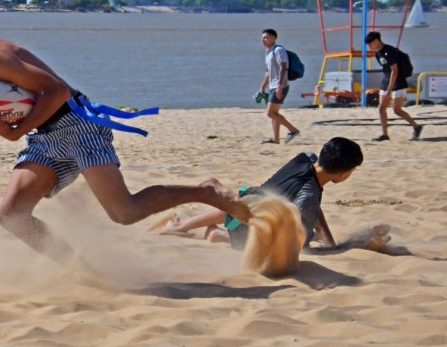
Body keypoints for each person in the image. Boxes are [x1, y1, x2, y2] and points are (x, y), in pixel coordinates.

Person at [0, 3, 252, 265]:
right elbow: (17, 109)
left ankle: (206, 191)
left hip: (77, 122)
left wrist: (16, 132)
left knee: (124, 212)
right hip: (44, 135)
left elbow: (57, 91)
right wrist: (12, 128)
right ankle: (78, 268)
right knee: (12, 215)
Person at [163, 137, 363, 249]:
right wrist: (319, 241)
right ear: (343, 173)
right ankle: (220, 236)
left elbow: (313, 202)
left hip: (238, 208)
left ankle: (181, 227)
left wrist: (327, 239)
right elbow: (296, 244)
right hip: (249, 233)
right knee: (294, 235)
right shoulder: (308, 196)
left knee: (252, 198)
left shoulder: (305, 157)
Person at [364, 31, 422, 141]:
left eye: (370, 44)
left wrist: (389, 91)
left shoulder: (389, 51)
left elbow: (394, 71)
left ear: (376, 41)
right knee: (381, 108)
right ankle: (384, 134)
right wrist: (386, 88)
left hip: (398, 82)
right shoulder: (378, 54)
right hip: (386, 82)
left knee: (397, 110)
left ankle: (416, 127)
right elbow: (386, 70)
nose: (369, 47)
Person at [258, 28, 300, 145]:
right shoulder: (268, 52)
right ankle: (276, 139)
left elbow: (283, 67)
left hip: (280, 85)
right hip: (273, 86)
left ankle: (293, 130)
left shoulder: (279, 50)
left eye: (265, 38)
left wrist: (279, 85)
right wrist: (263, 86)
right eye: (262, 38)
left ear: (273, 38)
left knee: (270, 113)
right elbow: (268, 71)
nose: (263, 40)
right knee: (274, 113)